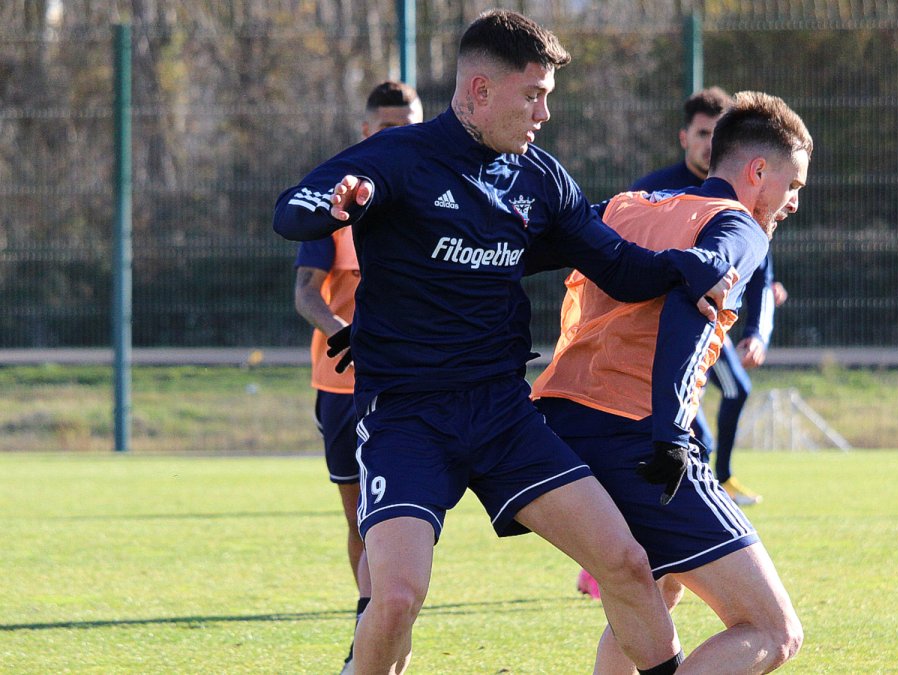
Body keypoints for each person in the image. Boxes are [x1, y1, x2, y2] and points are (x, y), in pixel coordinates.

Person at [274, 10, 738, 675]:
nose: (544, 112)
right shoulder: (398, 157)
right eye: (534, 94)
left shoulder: (539, 178)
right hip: (407, 417)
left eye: (548, 95)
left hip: (502, 415)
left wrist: (687, 266)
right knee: (396, 593)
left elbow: (621, 268)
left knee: (628, 562)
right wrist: (336, 203)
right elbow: (290, 210)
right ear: (481, 91)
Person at [533, 90, 811, 674]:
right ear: (758, 170)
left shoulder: (630, 204)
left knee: (652, 592)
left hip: (557, 421)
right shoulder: (738, 226)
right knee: (774, 629)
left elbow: (536, 247)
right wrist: (671, 433)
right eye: (793, 186)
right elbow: (693, 308)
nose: (791, 203)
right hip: (636, 432)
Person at [291, 80, 422, 674]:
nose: (398, 136)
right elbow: (305, 294)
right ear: (367, 130)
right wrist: (348, 333)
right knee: (357, 519)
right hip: (343, 384)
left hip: (407, 389)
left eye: (409, 124)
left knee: (393, 520)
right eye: (387, 126)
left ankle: (373, 638)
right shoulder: (333, 201)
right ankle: (373, 623)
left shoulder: (435, 199)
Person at [631, 87, 781, 507]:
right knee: (697, 437)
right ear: (684, 138)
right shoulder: (655, 190)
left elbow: (761, 272)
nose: (708, 144)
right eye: (701, 134)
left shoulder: (746, 198)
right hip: (655, 330)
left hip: (712, 325)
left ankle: (723, 481)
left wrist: (758, 331)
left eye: (717, 134)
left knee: (736, 392)